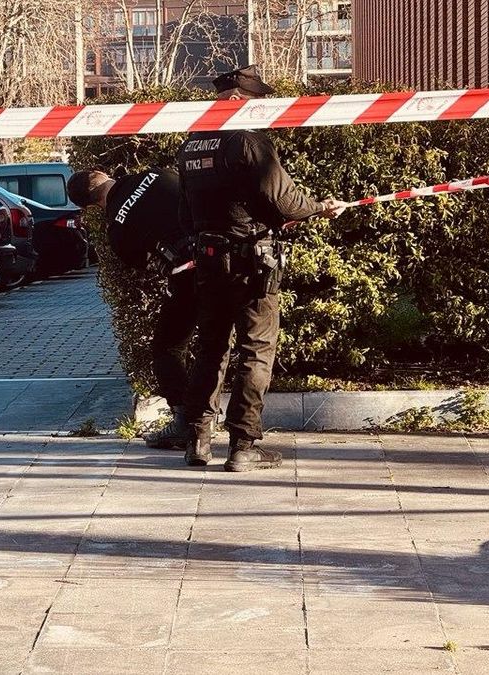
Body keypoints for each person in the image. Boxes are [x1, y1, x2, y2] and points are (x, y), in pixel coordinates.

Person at [176, 65, 347, 471]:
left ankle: (198, 441)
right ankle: (243, 445)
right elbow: (286, 202)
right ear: (239, 101)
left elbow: (185, 214)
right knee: (257, 349)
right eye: (260, 104)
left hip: (208, 260)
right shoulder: (249, 140)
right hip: (251, 261)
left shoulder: (191, 144)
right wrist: (321, 207)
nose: (264, 112)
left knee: (211, 347)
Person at [67, 167, 197, 450]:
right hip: (226, 255)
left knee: (167, 347)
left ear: (89, 206)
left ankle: (186, 422)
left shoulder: (117, 228)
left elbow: (141, 264)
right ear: (102, 173)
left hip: (189, 276)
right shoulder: (157, 174)